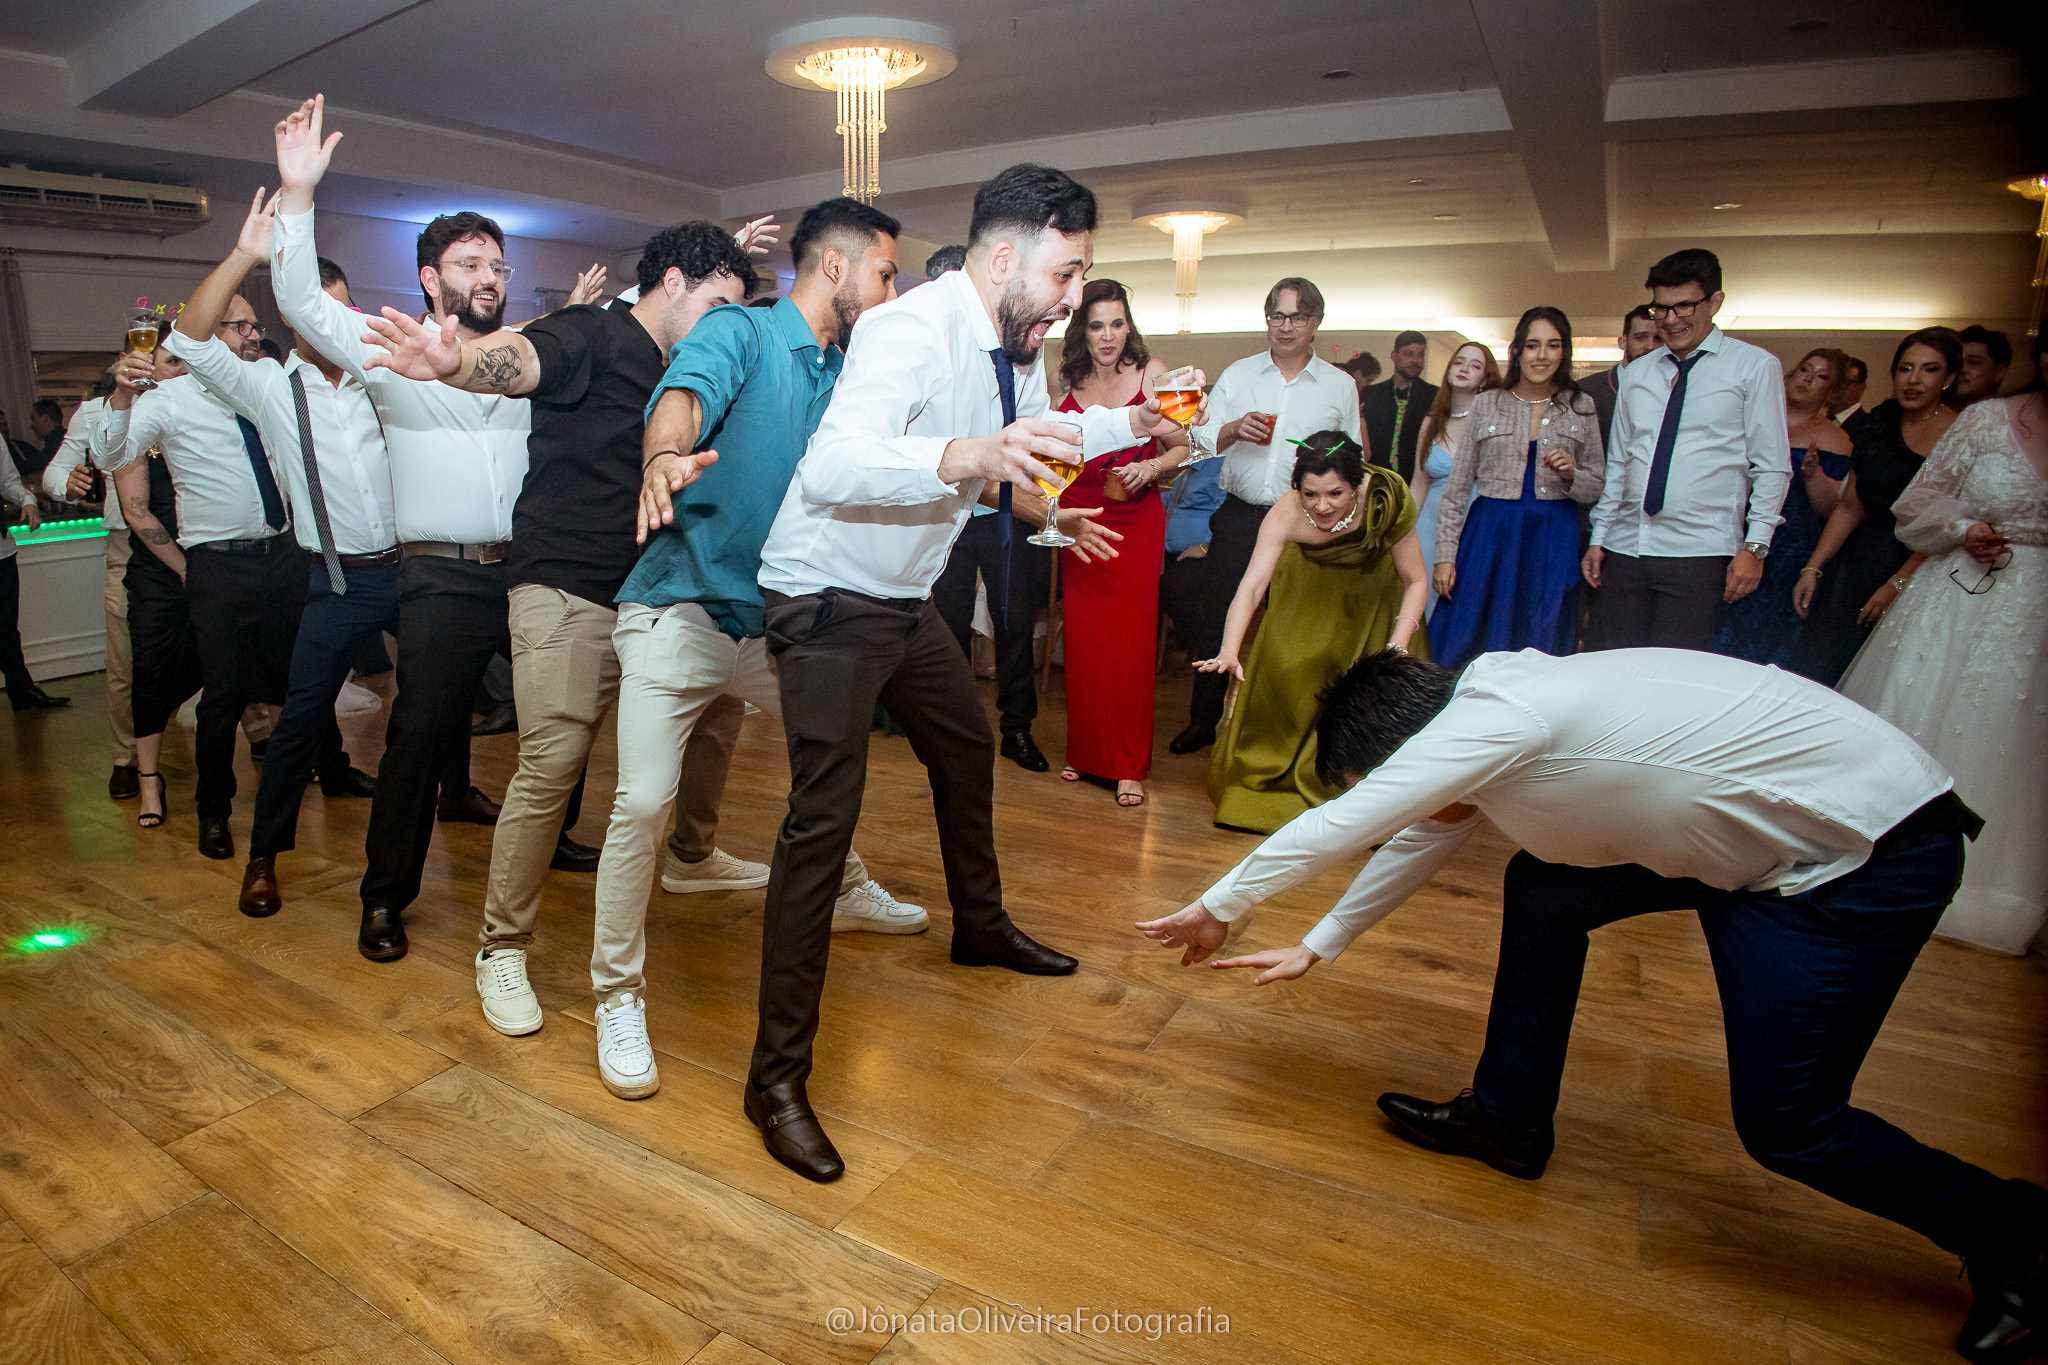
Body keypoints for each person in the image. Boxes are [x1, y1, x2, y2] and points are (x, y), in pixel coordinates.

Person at [1137, 647, 2047, 1365]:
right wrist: (1320, 941)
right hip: (1773, 836)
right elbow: (1419, 831)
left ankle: (2022, 1239)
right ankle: (1508, 1120)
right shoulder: (1494, 705)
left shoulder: (1507, 717)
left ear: (1421, 759)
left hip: (1862, 854)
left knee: (1790, 1123)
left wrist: (1219, 905)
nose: (1412, 806)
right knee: (1546, 886)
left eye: (1400, 785)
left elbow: (1359, 821)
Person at [747, 161, 1193, 1182]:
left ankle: (979, 928)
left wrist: (1137, 425)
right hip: (825, 597)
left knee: (963, 746)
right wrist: (966, 454)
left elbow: (1035, 441)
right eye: (1065, 274)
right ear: (1005, 257)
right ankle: (773, 1080)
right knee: (823, 823)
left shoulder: (1012, 346)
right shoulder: (906, 328)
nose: (1073, 299)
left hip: (900, 602)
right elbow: (834, 466)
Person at [514, 197, 920, 1098]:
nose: (894, 291)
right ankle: (617, 993)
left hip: (770, 621)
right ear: (837, 269)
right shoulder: (740, 330)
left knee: (836, 743)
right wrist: (664, 455)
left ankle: (845, 880)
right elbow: (683, 398)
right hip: (680, 609)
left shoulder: (845, 369)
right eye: (887, 273)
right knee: (644, 802)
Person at [361, 212, 759, 965]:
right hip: (566, 587)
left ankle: (693, 854)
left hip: (649, 591)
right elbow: (522, 357)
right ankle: (499, 944)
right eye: (714, 307)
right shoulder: (595, 333)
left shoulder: (682, 366)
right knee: (548, 764)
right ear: (671, 285)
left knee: (722, 705)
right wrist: (455, 364)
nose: (720, 329)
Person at [165, 185, 390, 920]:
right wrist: (243, 254)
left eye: (348, 309)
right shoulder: (266, 387)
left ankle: (448, 798)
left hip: (408, 570)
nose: (342, 322)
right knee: (299, 721)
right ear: (294, 316)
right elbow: (190, 339)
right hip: (328, 581)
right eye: (326, 309)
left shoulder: (381, 375)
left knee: (445, 696)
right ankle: (263, 858)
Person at [1838, 329, 2048, 955]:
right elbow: (1914, 505)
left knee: (2015, 735)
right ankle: (1874, 860)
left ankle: (1997, 891)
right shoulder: (1986, 421)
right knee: (1923, 713)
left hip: (2037, 605)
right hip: (1961, 588)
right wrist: (1963, 527)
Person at [92, 283, 305, 862]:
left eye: (254, 326)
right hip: (218, 567)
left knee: (294, 683)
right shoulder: (168, 398)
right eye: (239, 326)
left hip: (283, 556)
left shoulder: (267, 384)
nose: (253, 335)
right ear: (206, 333)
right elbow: (112, 456)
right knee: (223, 698)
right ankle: (214, 812)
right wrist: (120, 394)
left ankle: (299, 789)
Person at [1197, 432, 1425, 834]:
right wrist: (1230, 649)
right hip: (1307, 587)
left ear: (1357, 484)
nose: (1322, 506)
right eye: (1310, 494)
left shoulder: (1386, 499)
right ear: (1296, 487)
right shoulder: (1285, 514)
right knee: (1287, 670)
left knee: (1360, 696)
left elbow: (1416, 580)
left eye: (1335, 493)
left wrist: (1396, 646)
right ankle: (1272, 774)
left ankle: (1356, 788)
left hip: (1372, 595)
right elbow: (1251, 588)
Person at [1171, 278, 1358, 755]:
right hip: (1239, 516)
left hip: (1306, 523)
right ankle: (1202, 721)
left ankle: (1289, 732)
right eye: (1277, 315)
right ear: (1267, 319)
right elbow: (1201, 442)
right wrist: (1233, 428)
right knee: (1218, 618)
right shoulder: (1239, 374)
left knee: (1297, 626)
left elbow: (1353, 460)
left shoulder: (1340, 386)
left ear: (1315, 322)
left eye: (1297, 316)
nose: (1286, 326)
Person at [1584, 248, 1789, 652]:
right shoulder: (1638, 373)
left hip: (1701, 552)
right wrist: (1600, 536)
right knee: (1614, 666)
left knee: (1674, 674)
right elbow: (1622, 462)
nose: (1672, 320)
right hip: (1627, 547)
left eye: (1684, 306)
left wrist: (1755, 547)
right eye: (1661, 309)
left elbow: (1772, 466)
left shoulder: (1753, 367)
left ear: (1714, 302)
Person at [1054, 278, 1189, 807]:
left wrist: (1151, 467)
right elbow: (1054, 447)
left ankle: (1128, 764)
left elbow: (1185, 444)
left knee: (1131, 641)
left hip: (1135, 517)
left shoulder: (1154, 374)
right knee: (1086, 640)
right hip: (1080, 516)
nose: (1107, 336)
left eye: (1116, 323)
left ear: (1128, 325)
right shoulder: (1064, 376)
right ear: (1081, 330)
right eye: (1095, 325)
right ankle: (1086, 751)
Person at [1430, 307, 1604, 669]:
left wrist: (1572, 474)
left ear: (1564, 352)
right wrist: (1445, 556)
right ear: (1517, 351)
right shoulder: (1487, 403)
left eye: (1552, 345)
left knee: (1542, 633)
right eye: (1532, 345)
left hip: (1551, 536)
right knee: (1468, 635)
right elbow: (1458, 488)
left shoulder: (1581, 406)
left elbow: (1595, 488)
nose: (1541, 356)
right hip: (1490, 534)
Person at [1790, 328, 1963, 686]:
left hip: (1918, 562)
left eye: (1929, 370)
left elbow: (1950, 522)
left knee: (1881, 678)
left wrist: (1898, 582)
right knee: (1817, 668)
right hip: (1858, 560)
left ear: (1949, 378)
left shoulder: (1961, 432)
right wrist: (1813, 568)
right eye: (1905, 368)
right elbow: (1851, 506)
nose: (1913, 380)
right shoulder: (1879, 423)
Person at [1713, 348, 1854, 666]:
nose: (1808, 379)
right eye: (1805, 369)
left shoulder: (1834, 438)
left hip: (1788, 545)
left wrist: (1813, 476)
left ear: (1831, 390)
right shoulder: (1749, 418)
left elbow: (1835, 510)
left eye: (1822, 376)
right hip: (1731, 531)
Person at [41, 377, 122, 753]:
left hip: (193, 542)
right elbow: (53, 473)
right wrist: (68, 484)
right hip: (128, 546)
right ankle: (126, 758)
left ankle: (257, 732)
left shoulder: (186, 397)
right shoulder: (93, 412)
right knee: (124, 663)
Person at [1408, 340, 1501, 617]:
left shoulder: (1493, 424)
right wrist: (1401, 531)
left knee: (1468, 608)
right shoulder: (1431, 422)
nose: (1464, 368)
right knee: (1424, 607)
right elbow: (1418, 483)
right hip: (1429, 529)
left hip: (1474, 524)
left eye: (1475, 365)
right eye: (1459, 362)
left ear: (1485, 379)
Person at [0, 436, 64, 709]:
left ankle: (21, 689)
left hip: (1, 552)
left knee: (6, 628)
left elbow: (8, 481)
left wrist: (27, 500)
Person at [1360, 330, 1437, 481]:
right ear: (1394, 356)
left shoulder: (1434, 396)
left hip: (1417, 480)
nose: (1415, 361)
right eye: (1409, 354)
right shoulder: (1371, 394)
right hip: (1376, 479)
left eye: (1420, 354)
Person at [1579, 305, 1659, 448]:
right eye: (1641, 338)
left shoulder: (1675, 390)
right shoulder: (1585, 391)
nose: (1650, 346)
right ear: (1622, 342)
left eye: (1658, 339)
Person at [1955, 326, 2012, 409]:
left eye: (1973, 362)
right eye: (1956, 361)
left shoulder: (2009, 416)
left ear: (2000, 372)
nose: (1961, 369)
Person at [1835, 355, 1872, 444]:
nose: (1835, 386)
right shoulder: (1815, 419)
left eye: (1844, 382)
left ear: (1861, 388)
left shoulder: (1869, 428)